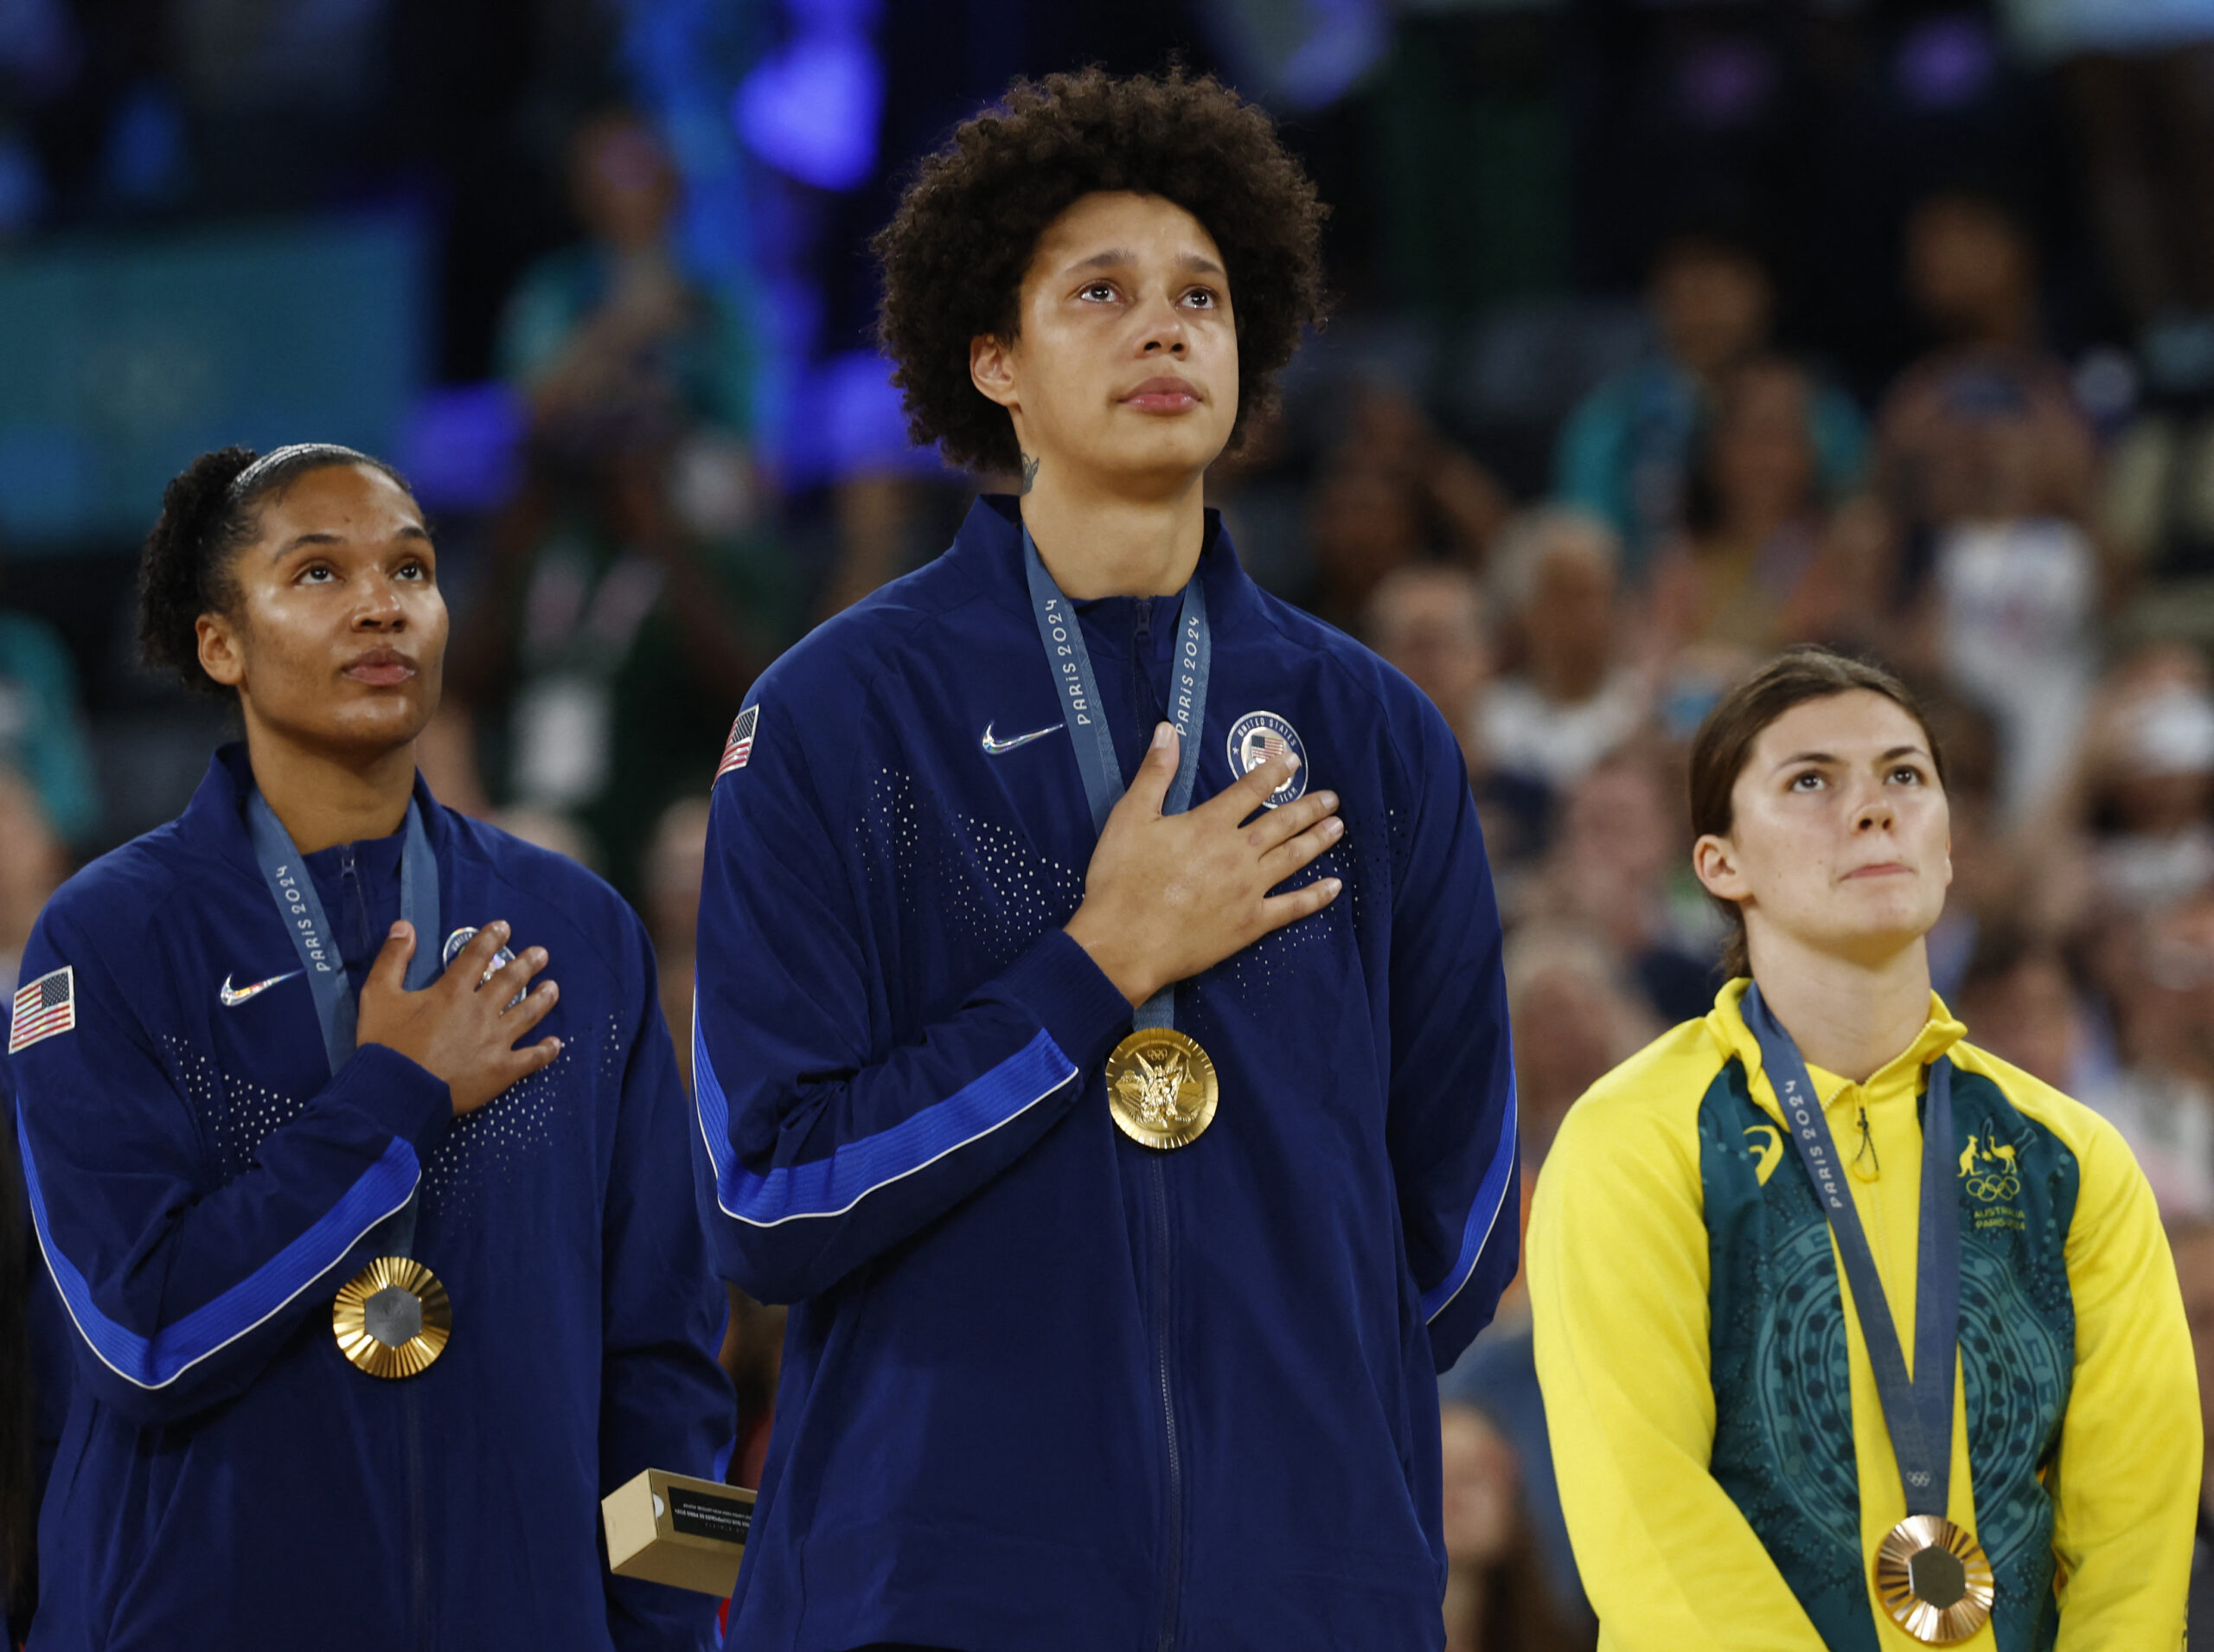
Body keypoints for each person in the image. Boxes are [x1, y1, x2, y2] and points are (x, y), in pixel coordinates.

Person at [692, 67, 1520, 1650]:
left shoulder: (1374, 730)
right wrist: (1092, 971)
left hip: (1308, 1594)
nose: (1166, 328)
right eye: (1102, 292)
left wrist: (1291, 1442)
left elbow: (1462, 1207)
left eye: (1203, 295)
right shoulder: (835, 719)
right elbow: (771, 1192)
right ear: (991, 357)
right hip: (938, 1591)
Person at [10, 444, 729, 1649]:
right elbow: (142, 1329)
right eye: (319, 573)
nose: (381, 602)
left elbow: (669, 1361)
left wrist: (681, 1631)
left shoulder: (578, 929)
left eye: (412, 567)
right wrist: (395, 1089)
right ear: (220, 643)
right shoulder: (107, 940)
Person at [1530, 645, 2198, 1648]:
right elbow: (1647, 1515)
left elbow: (2133, 1541)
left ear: (1947, 842)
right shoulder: (1635, 1138)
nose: (1874, 807)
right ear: (1720, 860)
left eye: (1904, 775)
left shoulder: (2073, 1157)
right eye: (1809, 780)